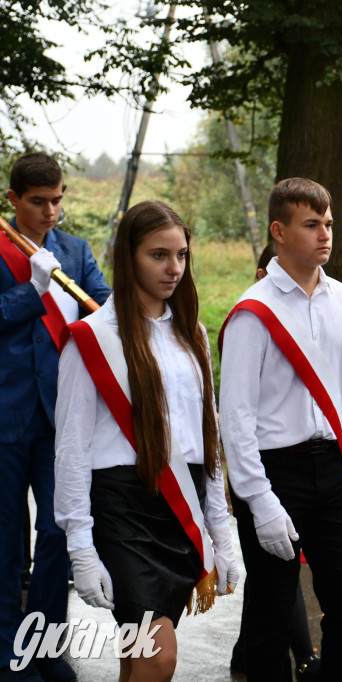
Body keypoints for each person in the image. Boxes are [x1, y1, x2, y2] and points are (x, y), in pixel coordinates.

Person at [53, 200, 239, 682]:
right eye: (159, 255)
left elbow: (208, 440)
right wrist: (81, 548)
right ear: (128, 257)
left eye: (181, 255)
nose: (173, 268)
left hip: (180, 508)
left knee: (138, 657)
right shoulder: (90, 339)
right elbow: (70, 448)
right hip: (123, 513)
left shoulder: (191, 333)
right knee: (159, 657)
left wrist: (223, 533)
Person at [219, 178, 342, 682]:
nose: (324, 234)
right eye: (311, 225)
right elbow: (237, 418)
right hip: (276, 472)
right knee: (270, 614)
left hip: (332, 469)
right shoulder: (254, 312)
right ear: (279, 231)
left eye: (328, 223)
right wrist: (259, 499)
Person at [1, 152, 110, 682]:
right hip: (6, 412)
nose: (50, 211)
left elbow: (106, 308)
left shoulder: (75, 249)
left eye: (57, 201)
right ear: (13, 199)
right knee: (4, 539)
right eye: (39, 202)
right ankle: (6, 651)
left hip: (62, 415)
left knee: (58, 532)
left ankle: (44, 643)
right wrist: (33, 292)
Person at [229, 240, 321, 681]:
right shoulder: (252, 319)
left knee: (274, 580)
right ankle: (300, 656)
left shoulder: (317, 315)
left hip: (309, 464)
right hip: (264, 467)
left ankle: (250, 651)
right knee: (275, 577)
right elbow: (237, 416)